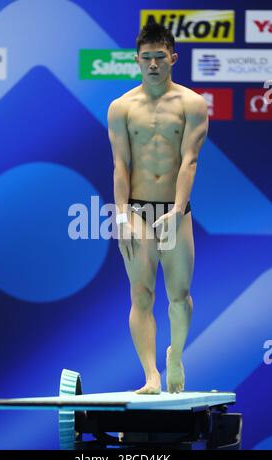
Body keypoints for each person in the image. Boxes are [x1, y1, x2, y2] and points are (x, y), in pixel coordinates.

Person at [107, 22, 208, 394]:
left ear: (173, 58)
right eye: (146, 58)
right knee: (141, 295)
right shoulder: (121, 108)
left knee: (179, 298)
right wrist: (120, 216)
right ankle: (151, 375)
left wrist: (178, 210)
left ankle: (175, 355)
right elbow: (120, 165)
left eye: (159, 58)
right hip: (137, 210)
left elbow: (190, 161)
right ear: (137, 60)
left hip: (175, 210)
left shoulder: (192, 104)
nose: (152, 64)